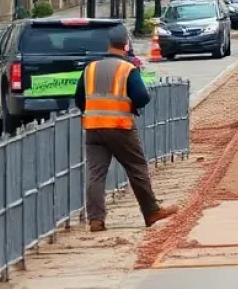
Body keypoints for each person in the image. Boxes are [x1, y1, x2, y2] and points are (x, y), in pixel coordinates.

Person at [73, 23, 177, 232]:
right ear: (126, 44)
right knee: (136, 167)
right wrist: (127, 105)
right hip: (120, 126)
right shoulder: (128, 68)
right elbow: (142, 97)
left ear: (109, 44)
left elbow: (79, 99)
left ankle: (96, 219)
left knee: (95, 173)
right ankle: (151, 211)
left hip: (93, 127)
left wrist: (95, 109)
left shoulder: (90, 68)